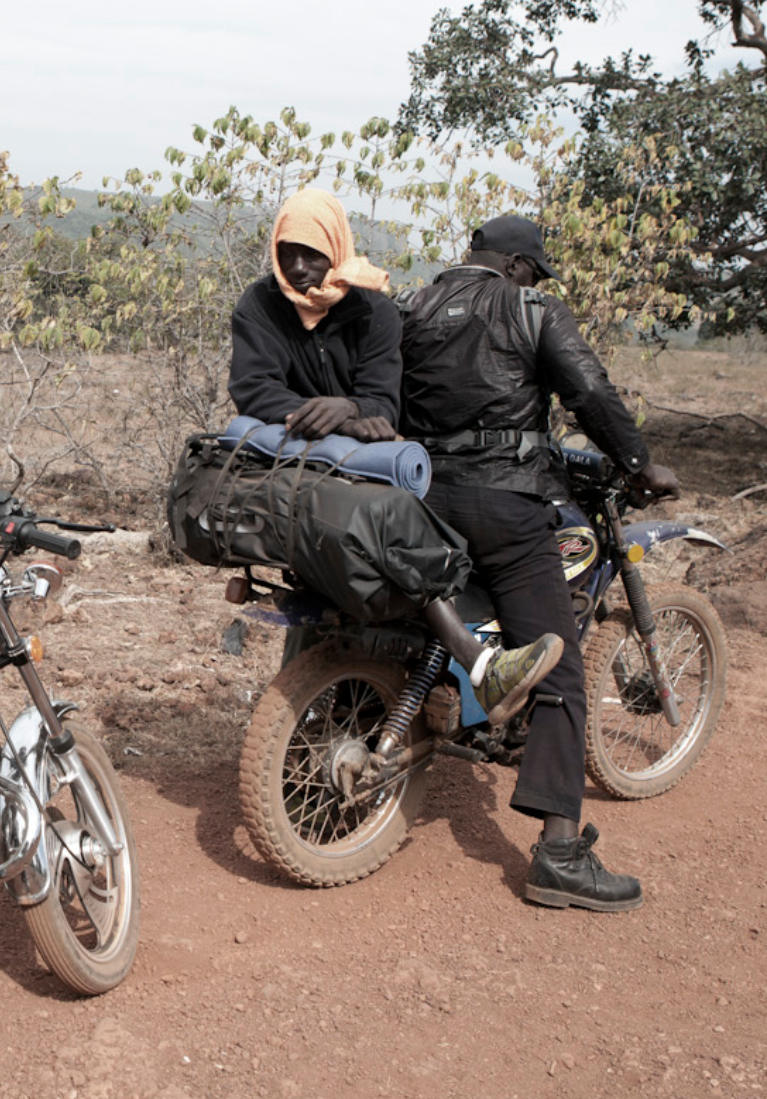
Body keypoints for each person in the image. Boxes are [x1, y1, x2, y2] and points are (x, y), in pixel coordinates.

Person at [400, 214, 681, 913]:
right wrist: (639, 463)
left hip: (414, 499)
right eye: (535, 269)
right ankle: (559, 852)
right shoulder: (532, 309)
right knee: (557, 663)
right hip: (503, 504)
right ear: (519, 266)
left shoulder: (410, 306)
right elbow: (589, 392)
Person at [230, 189, 564, 722]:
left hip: (357, 467)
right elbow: (254, 390)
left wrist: (348, 409)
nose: (297, 267)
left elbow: (383, 403)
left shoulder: (375, 310)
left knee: (372, 543)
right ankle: (477, 662)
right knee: (393, 532)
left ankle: (340, 708)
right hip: (293, 461)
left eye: (312, 254)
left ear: (337, 249)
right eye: (287, 251)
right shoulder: (260, 305)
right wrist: (337, 417)